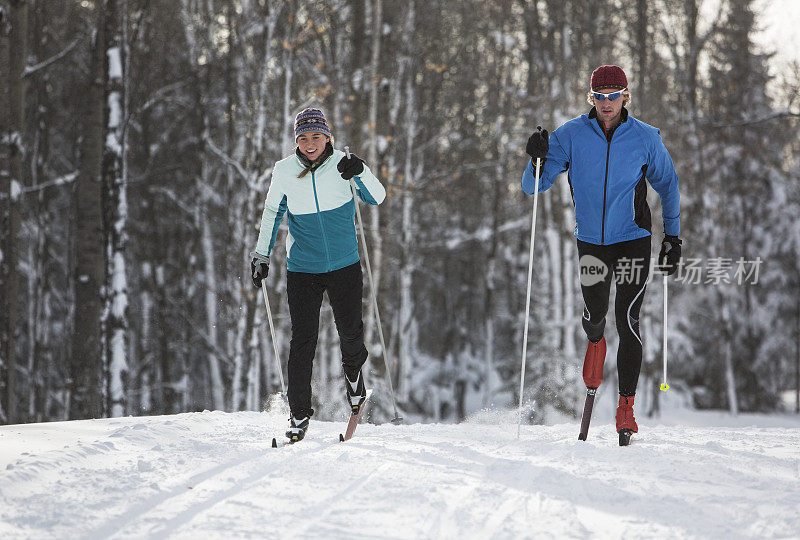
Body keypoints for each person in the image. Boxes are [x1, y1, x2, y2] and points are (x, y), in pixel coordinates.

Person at [521, 65, 682, 441]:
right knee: (596, 316)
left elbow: (668, 183)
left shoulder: (645, 138)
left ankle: (625, 407)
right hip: (591, 243)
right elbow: (534, 187)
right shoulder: (571, 136)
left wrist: (672, 238)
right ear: (590, 98)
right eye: (600, 97)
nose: (607, 104)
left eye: (614, 96)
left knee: (628, 320)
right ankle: (595, 340)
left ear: (626, 96)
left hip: (633, 240)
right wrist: (536, 159)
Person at [250, 107, 386, 442]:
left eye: (316, 136)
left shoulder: (344, 164)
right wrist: (261, 255)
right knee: (302, 343)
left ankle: (354, 378)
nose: (310, 143)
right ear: (296, 140)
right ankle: (298, 413)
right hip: (303, 269)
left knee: (351, 334)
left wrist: (362, 170)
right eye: (303, 137)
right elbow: (271, 211)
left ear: (328, 137)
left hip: (344, 265)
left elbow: (377, 197)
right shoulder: (283, 171)